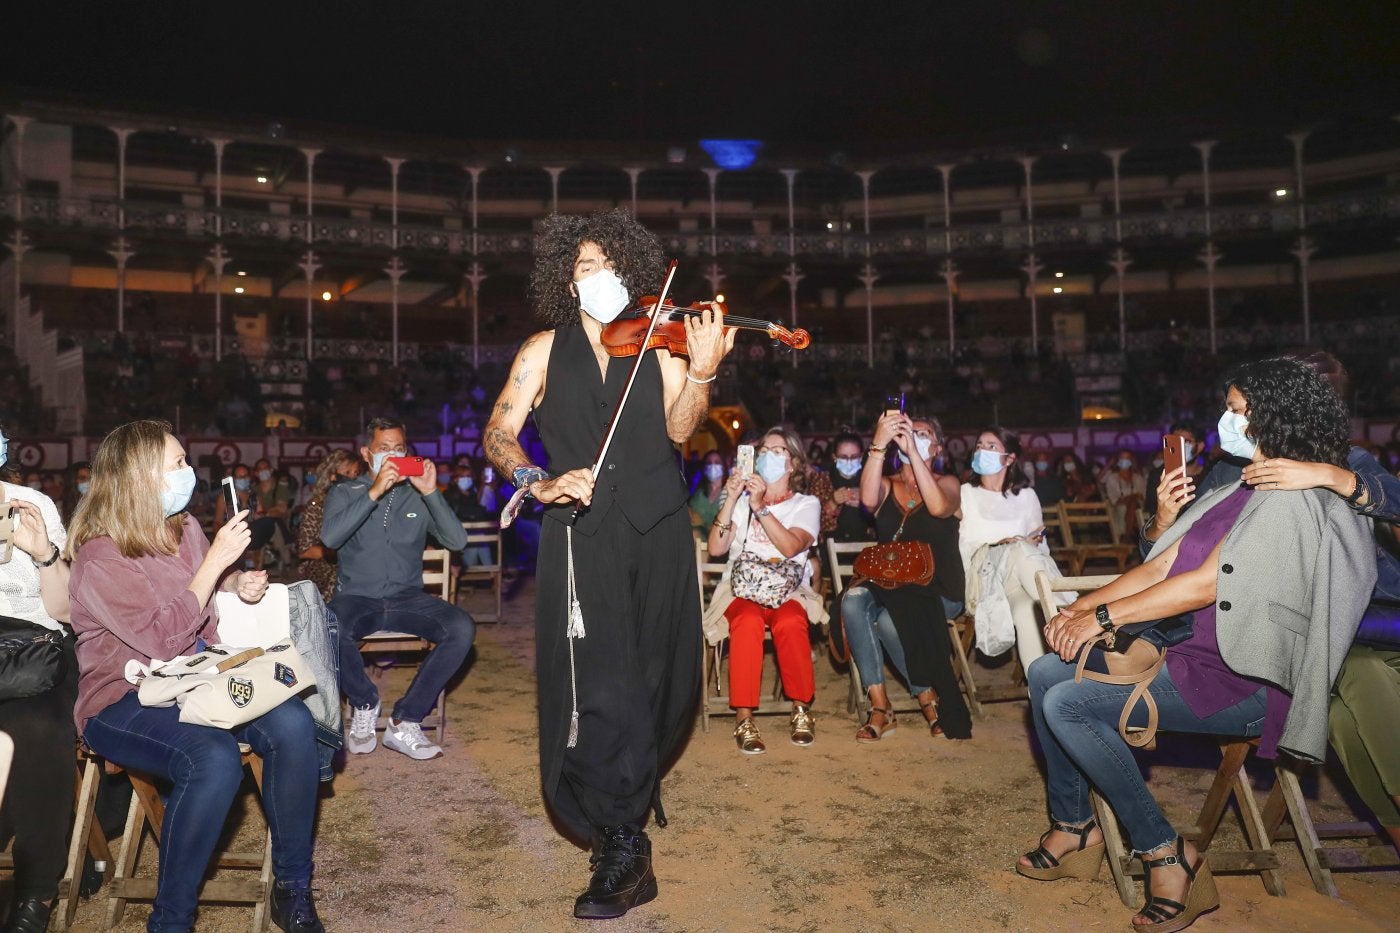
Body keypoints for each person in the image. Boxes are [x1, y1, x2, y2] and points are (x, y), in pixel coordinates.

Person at [1021, 358, 1374, 932]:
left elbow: (1209, 582)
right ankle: (1074, 826)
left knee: (1068, 703)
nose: (1224, 420)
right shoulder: (1240, 484)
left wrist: (1104, 617)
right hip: (1193, 657)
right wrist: (1083, 608)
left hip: (1248, 677)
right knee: (1043, 673)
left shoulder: (1291, 496)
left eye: (1236, 410)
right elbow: (1164, 564)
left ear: (1273, 417)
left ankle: (1165, 852)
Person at [483, 208, 733, 919]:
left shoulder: (658, 344)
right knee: (603, 679)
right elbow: (500, 431)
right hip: (578, 533)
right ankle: (621, 842)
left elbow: (682, 429)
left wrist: (704, 374)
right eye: (586, 266)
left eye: (611, 266)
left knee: (659, 673)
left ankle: (626, 808)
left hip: (656, 528)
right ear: (568, 276)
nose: (599, 278)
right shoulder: (540, 349)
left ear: (634, 275)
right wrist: (537, 479)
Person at [68, 421, 323, 933]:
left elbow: (202, 599)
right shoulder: (100, 555)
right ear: (139, 479)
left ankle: (293, 886)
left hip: (197, 679)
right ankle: (171, 920)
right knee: (212, 759)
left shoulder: (181, 527)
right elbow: (160, 638)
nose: (190, 473)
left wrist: (236, 581)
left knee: (295, 723)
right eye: (178, 464)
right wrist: (214, 566)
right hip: (123, 699)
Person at [1237, 350, 1400, 855]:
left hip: (1368, 629)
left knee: (1354, 684)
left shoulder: (1352, 462)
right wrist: (1160, 521)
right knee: (1338, 713)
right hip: (1288, 635)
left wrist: (1333, 477)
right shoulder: (1234, 470)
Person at [322, 417, 473, 761]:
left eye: (399, 448)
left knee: (461, 627)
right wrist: (374, 491)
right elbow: (329, 539)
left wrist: (431, 491)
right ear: (366, 453)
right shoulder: (345, 492)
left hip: (407, 598)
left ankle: (406, 720)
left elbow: (457, 541)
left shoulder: (416, 495)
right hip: (357, 597)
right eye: (383, 449)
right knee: (329, 625)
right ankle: (364, 701)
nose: (392, 455)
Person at [843, 413, 971, 741]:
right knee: (853, 599)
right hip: (893, 583)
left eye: (923, 434)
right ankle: (880, 707)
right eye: (908, 433)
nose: (912, 436)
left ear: (938, 447)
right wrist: (879, 442)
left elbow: (939, 507)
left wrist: (914, 453)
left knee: (889, 621)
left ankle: (927, 699)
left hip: (938, 589)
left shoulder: (949, 483)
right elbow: (868, 502)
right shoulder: (888, 485)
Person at [0, 426, 75, 933]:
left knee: (41, 729)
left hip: (37, 646)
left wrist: (44, 553)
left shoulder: (33, 504)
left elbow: (66, 608)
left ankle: (34, 895)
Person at [707, 427, 823, 755]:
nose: (768, 456)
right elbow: (716, 548)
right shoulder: (742, 502)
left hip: (787, 589)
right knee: (747, 621)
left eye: (778, 451)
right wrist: (731, 499)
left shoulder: (806, 504)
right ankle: (744, 717)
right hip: (742, 588)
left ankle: (801, 709)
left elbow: (790, 547)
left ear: (794, 464)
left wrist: (761, 507)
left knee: (789, 622)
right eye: (764, 450)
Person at [958, 427, 1053, 667]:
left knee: (1027, 613)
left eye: (991, 446)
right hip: (984, 577)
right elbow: (962, 546)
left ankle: (1038, 694)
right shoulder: (965, 493)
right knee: (1018, 547)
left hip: (1018, 581)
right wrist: (1001, 545)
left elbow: (1041, 546)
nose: (982, 450)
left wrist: (1032, 541)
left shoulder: (1027, 496)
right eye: (979, 445)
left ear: (1010, 458)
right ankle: (1067, 609)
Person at [295, 449, 360, 602]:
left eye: (356, 473)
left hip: (357, 562)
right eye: (347, 472)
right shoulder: (317, 506)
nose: (353, 477)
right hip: (322, 565)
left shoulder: (362, 503)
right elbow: (304, 551)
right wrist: (339, 553)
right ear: (333, 476)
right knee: (339, 572)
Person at [213, 463, 278, 570]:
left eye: (246, 476)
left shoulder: (255, 496)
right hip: (232, 536)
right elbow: (217, 521)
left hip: (252, 535)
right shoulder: (225, 497)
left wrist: (259, 516)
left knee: (267, 523)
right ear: (234, 479)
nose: (243, 479)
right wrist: (220, 540)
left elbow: (261, 515)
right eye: (240, 477)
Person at [823, 432, 876, 543]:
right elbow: (816, 523)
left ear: (861, 457)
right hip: (833, 544)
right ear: (834, 457)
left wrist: (866, 504)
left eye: (854, 457)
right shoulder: (823, 480)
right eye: (843, 457)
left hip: (867, 545)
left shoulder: (871, 479)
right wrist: (833, 502)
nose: (849, 462)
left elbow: (884, 519)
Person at [687, 449, 726, 535]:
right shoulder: (700, 492)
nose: (712, 466)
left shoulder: (728, 493)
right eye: (709, 462)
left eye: (717, 462)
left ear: (723, 466)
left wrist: (702, 523)